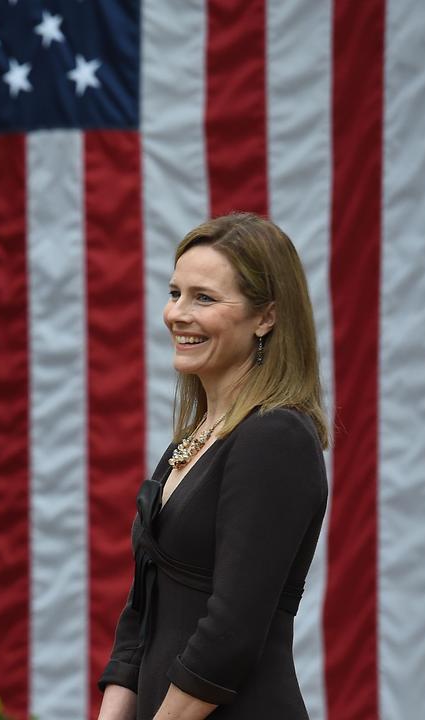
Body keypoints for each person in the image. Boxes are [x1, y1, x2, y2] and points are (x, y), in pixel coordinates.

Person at [96, 213, 329, 720]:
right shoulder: (194, 437)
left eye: (204, 298)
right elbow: (142, 612)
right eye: (175, 292)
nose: (178, 313)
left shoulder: (276, 438)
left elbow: (232, 630)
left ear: (265, 317)